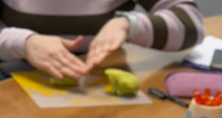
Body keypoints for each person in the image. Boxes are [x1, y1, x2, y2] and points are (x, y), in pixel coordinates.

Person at [0, 0, 204, 80]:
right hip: (12, 80)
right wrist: (23, 42)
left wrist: (129, 25)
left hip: (98, 81)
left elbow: (191, 23)